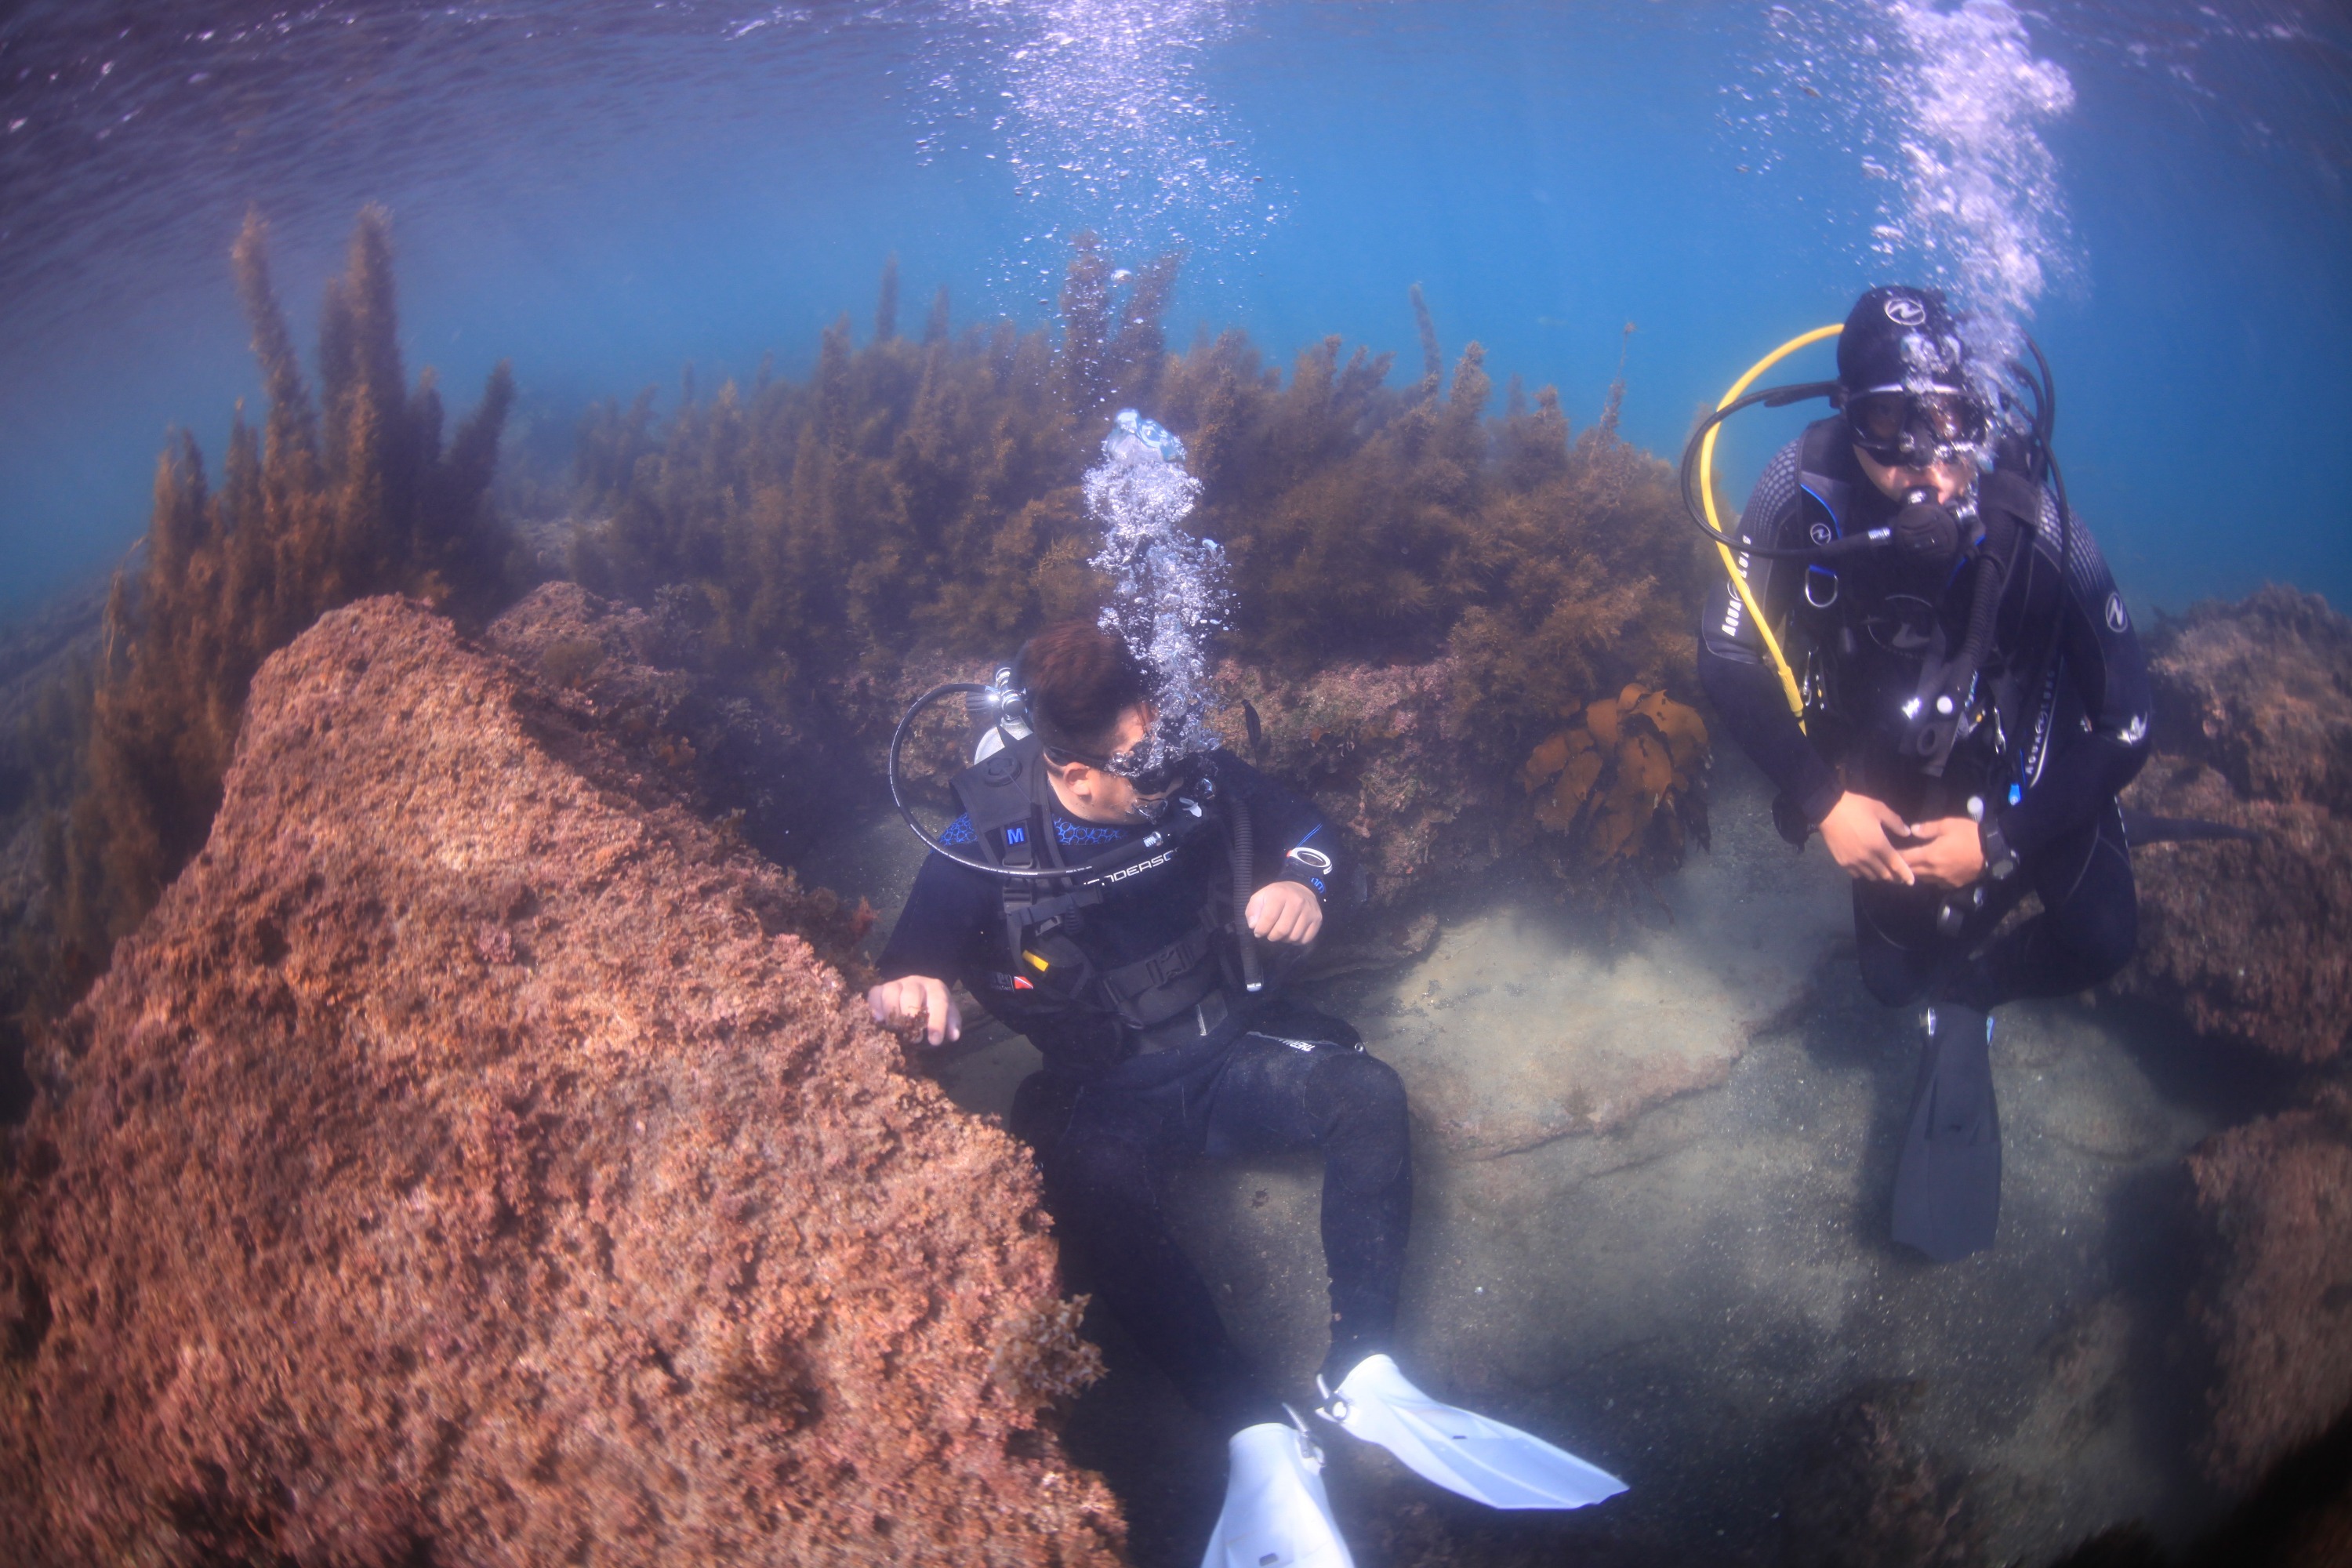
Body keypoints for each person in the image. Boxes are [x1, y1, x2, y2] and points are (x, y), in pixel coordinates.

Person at [869, 619, 1624, 1566]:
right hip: (1110, 1087)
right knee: (1086, 1197)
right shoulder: (986, 843)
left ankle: (1365, 1370)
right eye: (1146, 767)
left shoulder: (1193, 769)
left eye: (1174, 747)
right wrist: (913, 985)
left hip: (1230, 1052)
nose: (1177, 781)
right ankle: (1251, 1427)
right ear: (1073, 776)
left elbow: (1309, 830)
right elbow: (909, 958)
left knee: (1367, 1092)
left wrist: (1306, 881)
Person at [1697, 285, 2151, 1264]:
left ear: (1983, 416)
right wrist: (1825, 801)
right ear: (1843, 414)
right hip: (1883, 768)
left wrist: (2002, 840)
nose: (1923, 466)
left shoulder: (2040, 524)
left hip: (2021, 761)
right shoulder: (1797, 489)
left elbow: (2131, 719)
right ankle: (1949, 968)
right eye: (1886, 425)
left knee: (2105, 935)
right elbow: (1725, 658)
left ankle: (1980, 985)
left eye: (1951, 424)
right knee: (1892, 980)